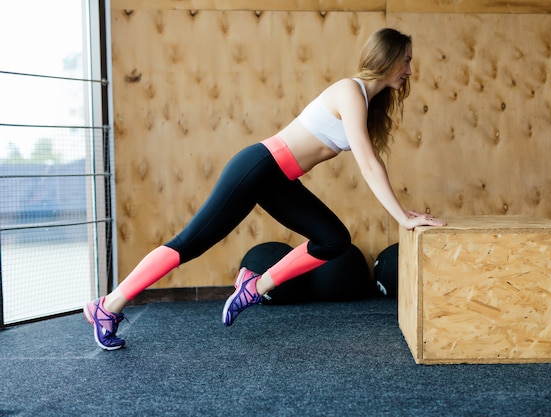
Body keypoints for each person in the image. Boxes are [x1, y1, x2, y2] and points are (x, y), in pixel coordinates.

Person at [83, 27, 446, 350]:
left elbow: (374, 161)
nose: (410, 71)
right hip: (258, 167)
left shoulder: (366, 103)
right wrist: (401, 217)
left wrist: (404, 212)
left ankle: (254, 288)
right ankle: (108, 305)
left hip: (278, 179)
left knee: (333, 239)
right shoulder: (350, 91)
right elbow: (366, 163)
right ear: (388, 57)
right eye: (406, 61)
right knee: (189, 244)